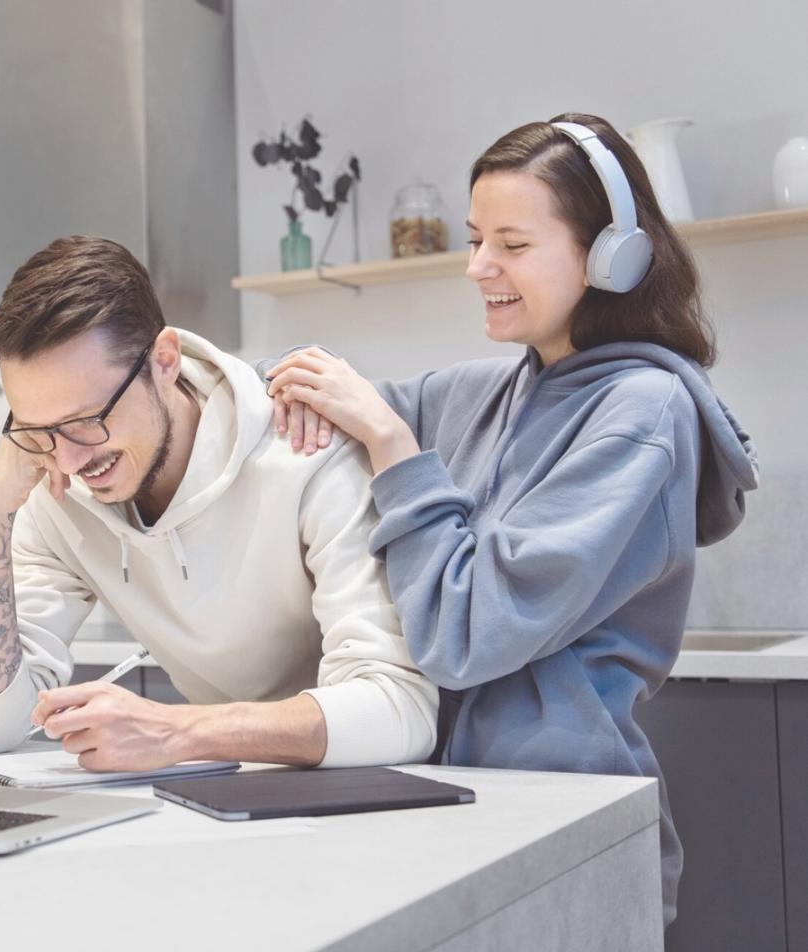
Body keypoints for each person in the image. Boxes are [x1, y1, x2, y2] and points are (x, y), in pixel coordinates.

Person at [260, 113, 759, 925]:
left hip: (566, 822)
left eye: (513, 244)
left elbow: (466, 637)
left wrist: (389, 443)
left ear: (611, 254)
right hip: (452, 810)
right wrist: (194, 381)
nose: (478, 266)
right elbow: (293, 407)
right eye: (474, 238)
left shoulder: (642, 412)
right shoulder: (488, 390)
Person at [0, 236, 438, 773]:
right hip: (214, 788)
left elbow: (400, 711)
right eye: (38, 429)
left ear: (164, 359)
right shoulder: (57, 492)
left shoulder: (303, 449)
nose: (67, 460)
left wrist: (175, 730)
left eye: (88, 420)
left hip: (356, 795)